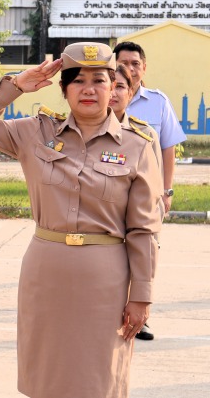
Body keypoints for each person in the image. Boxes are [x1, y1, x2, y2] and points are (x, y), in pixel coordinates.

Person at [0, 42, 161, 398]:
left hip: (106, 279)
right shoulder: (36, 132)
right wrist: (17, 85)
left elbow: (144, 228)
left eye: (99, 80)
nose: (88, 89)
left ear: (113, 86)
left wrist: (141, 295)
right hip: (46, 272)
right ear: (64, 88)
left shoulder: (138, 143)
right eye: (78, 80)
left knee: (99, 377)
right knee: (45, 375)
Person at [113, 40, 187, 341]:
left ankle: (140, 318)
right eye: (124, 63)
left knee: (146, 254)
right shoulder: (105, 93)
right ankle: (113, 310)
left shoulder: (158, 101)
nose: (130, 69)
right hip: (112, 194)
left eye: (136, 64)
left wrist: (167, 191)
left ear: (144, 68)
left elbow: (168, 148)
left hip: (148, 195)